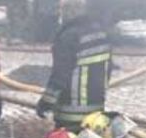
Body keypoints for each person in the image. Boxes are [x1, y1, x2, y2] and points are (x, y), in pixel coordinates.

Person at [36, 0, 111, 131]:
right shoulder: (100, 33)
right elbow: (107, 69)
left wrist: (46, 103)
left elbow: (60, 75)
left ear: (66, 12)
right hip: (97, 109)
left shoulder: (68, 36)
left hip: (71, 114)